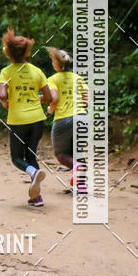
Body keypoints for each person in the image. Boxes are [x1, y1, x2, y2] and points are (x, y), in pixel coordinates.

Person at [0, 29, 51, 207]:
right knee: (31, 154)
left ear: (9, 52)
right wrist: (36, 99)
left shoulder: (6, 72)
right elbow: (49, 97)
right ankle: (36, 197)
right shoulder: (37, 71)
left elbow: (3, 95)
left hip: (18, 120)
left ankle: (33, 173)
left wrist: (6, 103)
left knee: (16, 158)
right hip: (37, 119)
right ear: (27, 51)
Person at [47, 47, 88, 193]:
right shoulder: (78, 78)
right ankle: (80, 185)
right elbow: (87, 98)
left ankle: (76, 168)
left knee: (61, 154)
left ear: (56, 65)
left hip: (63, 119)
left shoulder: (52, 79)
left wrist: (50, 110)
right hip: (83, 117)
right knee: (78, 151)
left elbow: (55, 99)